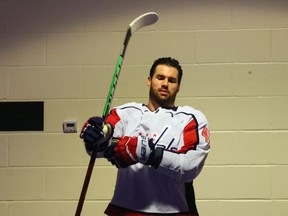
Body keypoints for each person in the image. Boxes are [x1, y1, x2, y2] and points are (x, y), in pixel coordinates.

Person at [80, 57, 210, 216]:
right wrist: (95, 138)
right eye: (160, 77)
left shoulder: (191, 118)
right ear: (149, 80)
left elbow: (190, 167)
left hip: (173, 211)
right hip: (124, 209)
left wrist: (147, 152)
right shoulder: (125, 113)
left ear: (178, 87)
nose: (165, 84)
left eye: (172, 80)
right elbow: (101, 148)